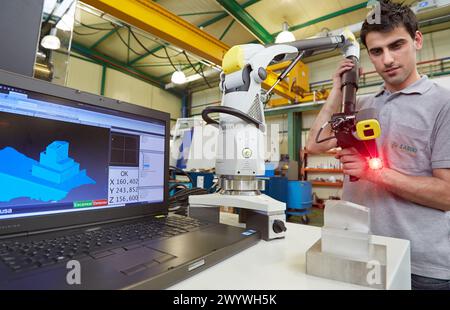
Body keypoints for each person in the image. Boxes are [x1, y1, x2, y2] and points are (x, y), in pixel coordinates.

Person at [306, 0, 450, 290]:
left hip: (420, 266)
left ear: (417, 40)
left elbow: (447, 194)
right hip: (358, 251)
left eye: (396, 45)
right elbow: (315, 144)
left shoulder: (442, 104)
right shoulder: (359, 106)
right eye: (376, 51)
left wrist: (373, 173)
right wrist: (338, 90)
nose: (387, 59)